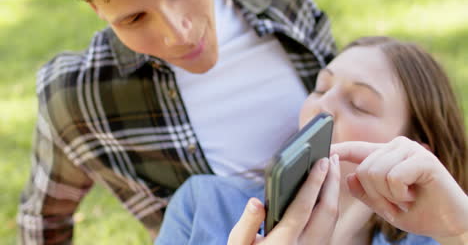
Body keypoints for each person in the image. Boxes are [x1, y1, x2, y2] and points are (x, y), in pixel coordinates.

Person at [17, 0, 336, 243]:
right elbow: (42, 221)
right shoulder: (79, 96)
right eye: (135, 18)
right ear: (96, 8)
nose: (179, 34)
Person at [155, 36, 468, 245]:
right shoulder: (203, 206)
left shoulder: (433, 234)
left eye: (359, 104)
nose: (323, 105)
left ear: (412, 153)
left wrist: (460, 229)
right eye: (320, 88)